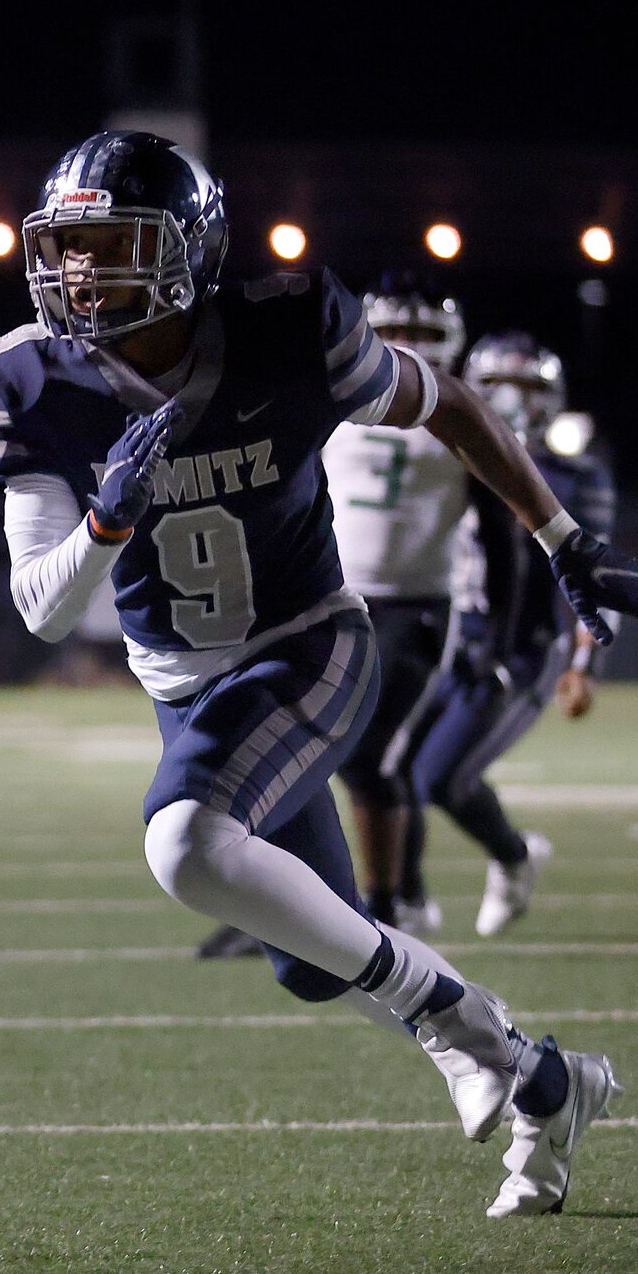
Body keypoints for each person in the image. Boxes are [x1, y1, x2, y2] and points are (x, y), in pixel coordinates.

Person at [0, 131, 638, 1216]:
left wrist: (564, 539)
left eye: (113, 244)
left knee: (187, 844)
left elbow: (447, 402)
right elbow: (43, 608)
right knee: (312, 958)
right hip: (180, 685)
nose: (82, 271)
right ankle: (543, 1077)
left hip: (307, 644)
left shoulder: (288, 332)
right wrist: (109, 519)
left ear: (186, 249)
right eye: (67, 247)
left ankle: (461, 1035)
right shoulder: (26, 376)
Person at [197, 271, 470, 956]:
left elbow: (499, 527)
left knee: (367, 755)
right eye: (396, 333)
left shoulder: (459, 411)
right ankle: (297, 902)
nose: (406, 346)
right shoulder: (333, 401)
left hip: (419, 603)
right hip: (330, 598)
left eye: (423, 336)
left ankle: (376, 905)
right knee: (299, 748)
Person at [394, 335, 612, 937]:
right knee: (390, 766)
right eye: (499, 387)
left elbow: (598, 576)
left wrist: (583, 665)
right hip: (445, 639)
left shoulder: (570, 475)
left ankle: (514, 857)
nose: (514, 401)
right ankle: (403, 900)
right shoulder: (434, 455)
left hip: (522, 646)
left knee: (436, 776)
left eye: (530, 389)